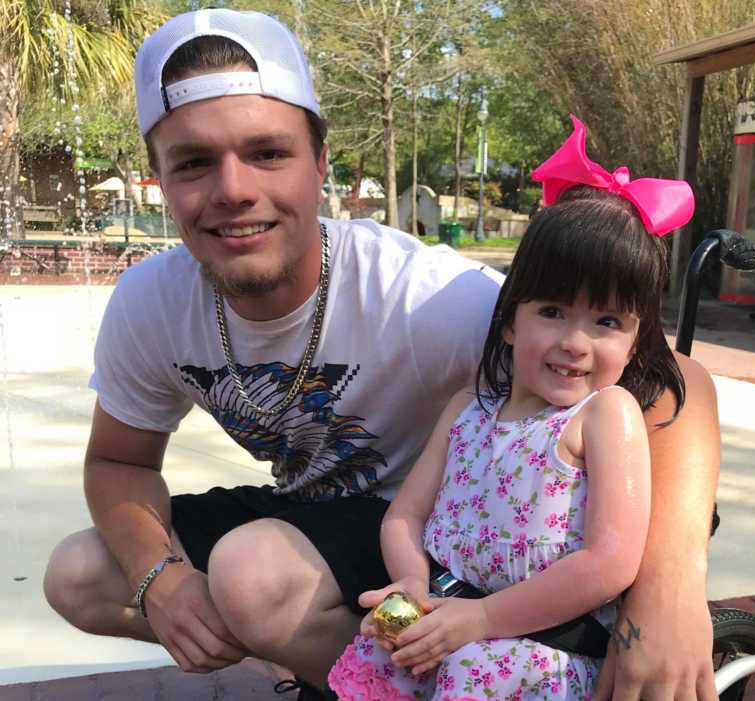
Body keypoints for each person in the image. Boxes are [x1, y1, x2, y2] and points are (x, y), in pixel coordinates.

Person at [41, 10, 720, 701]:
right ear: (157, 177)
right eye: (193, 162)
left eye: (268, 152)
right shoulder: (150, 300)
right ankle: (350, 668)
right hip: (356, 545)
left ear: (320, 163)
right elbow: (118, 462)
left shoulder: (422, 298)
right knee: (82, 572)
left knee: (252, 576)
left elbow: (675, 381)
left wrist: (667, 588)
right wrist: (164, 579)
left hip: (439, 543)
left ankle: (388, 673)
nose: (234, 189)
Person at [325, 115, 700, 701]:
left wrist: (479, 620)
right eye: (552, 312)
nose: (575, 342)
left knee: (477, 674)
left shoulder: (605, 415)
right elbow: (404, 516)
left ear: (633, 341)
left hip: (537, 641)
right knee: (381, 638)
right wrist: (410, 583)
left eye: (606, 322)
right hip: (442, 603)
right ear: (509, 321)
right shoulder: (466, 409)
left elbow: (609, 563)